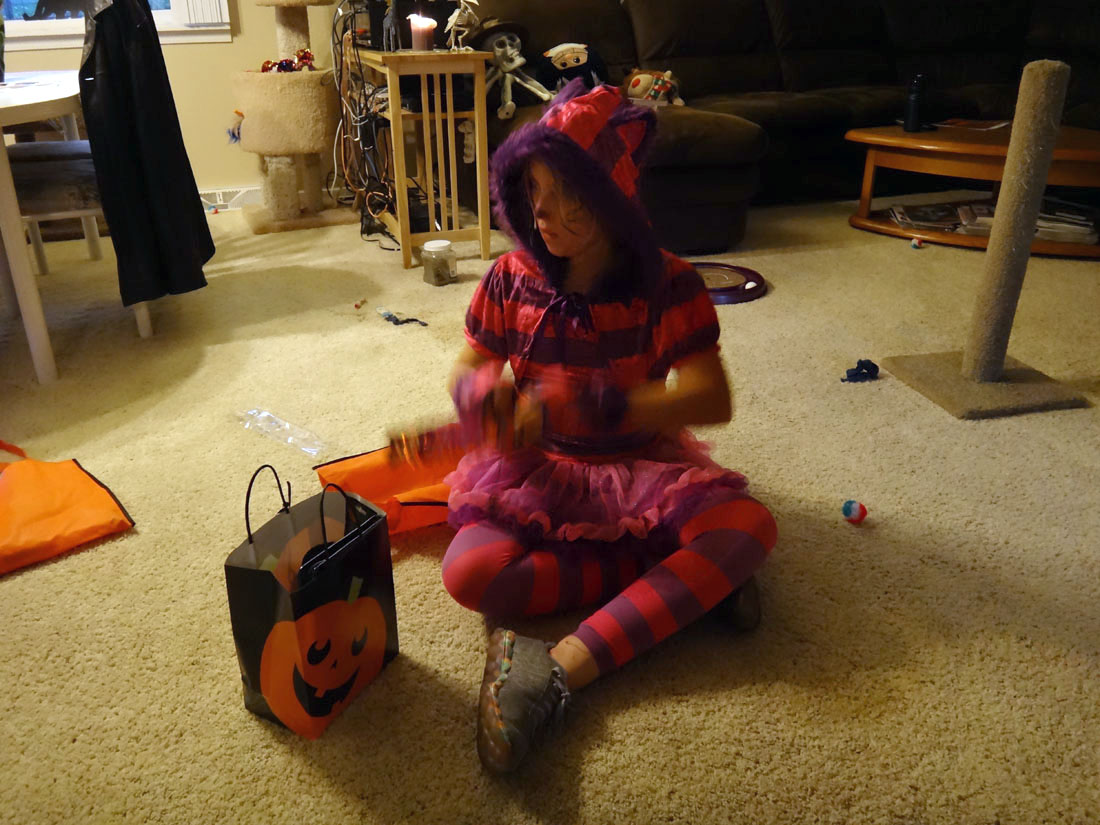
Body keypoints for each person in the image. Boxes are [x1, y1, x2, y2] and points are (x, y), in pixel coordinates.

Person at [441, 79, 777, 774]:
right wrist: (484, 400)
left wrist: (606, 402)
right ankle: (684, 584)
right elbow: (469, 365)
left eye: (567, 197)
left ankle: (564, 662)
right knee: (471, 575)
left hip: (642, 467)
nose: (544, 214)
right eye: (534, 191)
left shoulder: (669, 283)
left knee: (750, 528)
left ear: (614, 199)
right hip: (540, 470)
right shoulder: (509, 276)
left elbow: (711, 397)